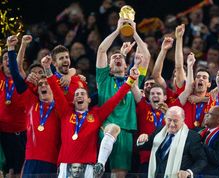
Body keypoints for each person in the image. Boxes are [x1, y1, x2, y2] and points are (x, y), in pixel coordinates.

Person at [41, 55, 140, 178]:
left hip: (88, 165)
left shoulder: (97, 115)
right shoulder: (66, 112)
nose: (79, 96)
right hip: (65, 164)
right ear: (73, 100)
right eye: (77, 94)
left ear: (88, 100)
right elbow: (55, 90)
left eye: (82, 94)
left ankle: (101, 164)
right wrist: (46, 68)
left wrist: (131, 79)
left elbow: (116, 98)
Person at [96, 17, 150, 177]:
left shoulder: (134, 79)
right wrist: (118, 30)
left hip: (126, 130)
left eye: (120, 57)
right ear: (109, 67)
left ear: (126, 65)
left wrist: (134, 33)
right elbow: (101, 50)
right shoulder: (104, 79)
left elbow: (146, 56)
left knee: (119, 173)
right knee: (111, 130)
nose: (118, 58)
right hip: (105, 127)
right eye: (114, 58)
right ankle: (99, 164)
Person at [7, 35, 60, 177]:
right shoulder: (32, 102)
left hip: (52, 162)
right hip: (31, 160)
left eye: (46, 83)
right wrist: (11, 49)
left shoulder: (61, 107)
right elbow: (16, 74)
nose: (43, 85)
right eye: (40, 84)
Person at [137, 106, 207, 178]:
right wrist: (142, 139)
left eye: (175, 121)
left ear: (183, 120)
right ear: (165, 118)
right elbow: (144, 146)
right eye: (169, 120)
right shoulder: (159, 131)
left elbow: (202, 160)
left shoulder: (192, 137)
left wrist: (188, 172)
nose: (172, 124)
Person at [0, 37, 27, 177]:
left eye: (10, 58)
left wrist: (22, 45)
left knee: (18, 170)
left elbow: (19, 63)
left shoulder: (21, 77)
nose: (8, 60)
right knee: (6, 170)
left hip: (20, 131)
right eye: (5, 58)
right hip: (3, 131)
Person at [132, 82, 168, 173]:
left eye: (158, 93)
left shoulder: (171, 112)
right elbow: (133, 85)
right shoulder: (144, 107)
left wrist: (167, 114)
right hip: (146, 158)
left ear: (165, 97)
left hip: (165, 158)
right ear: (148, 97)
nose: (155, 95)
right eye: (152, 93)